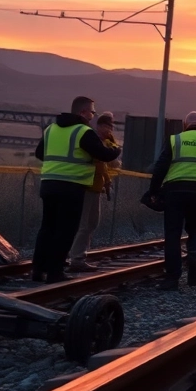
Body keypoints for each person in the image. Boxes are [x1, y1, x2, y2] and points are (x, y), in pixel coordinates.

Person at [33, 96, 122, 283]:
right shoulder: (83, 131)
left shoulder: (51, 129)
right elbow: (104, 154)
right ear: (82, 112)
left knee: (47, 227)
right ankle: (55, 272)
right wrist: (116, 148)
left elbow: (40, 153)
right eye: (92, 112)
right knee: (66, 229)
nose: (93, 115)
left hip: (48, 183)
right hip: (71, 186)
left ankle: (38, 270)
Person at [148, 111, 196, 290]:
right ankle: (194, 256)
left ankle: (172, 278)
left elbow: (160, 166)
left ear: (185, 124)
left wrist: (153, 191)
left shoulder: (175, 140)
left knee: (173, 234)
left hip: (174, 191)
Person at [67, 112, 121, 272]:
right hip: (86, 186)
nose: (108, 130)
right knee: (83, 225)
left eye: (110, 127)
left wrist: (106, 181)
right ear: (97, 125)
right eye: (105, 126)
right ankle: (76, 258)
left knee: (91, 223)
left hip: (95, 187)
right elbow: (105, 161)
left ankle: (76, 255)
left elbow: (110, 164)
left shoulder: (105, 142)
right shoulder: (92, 140)